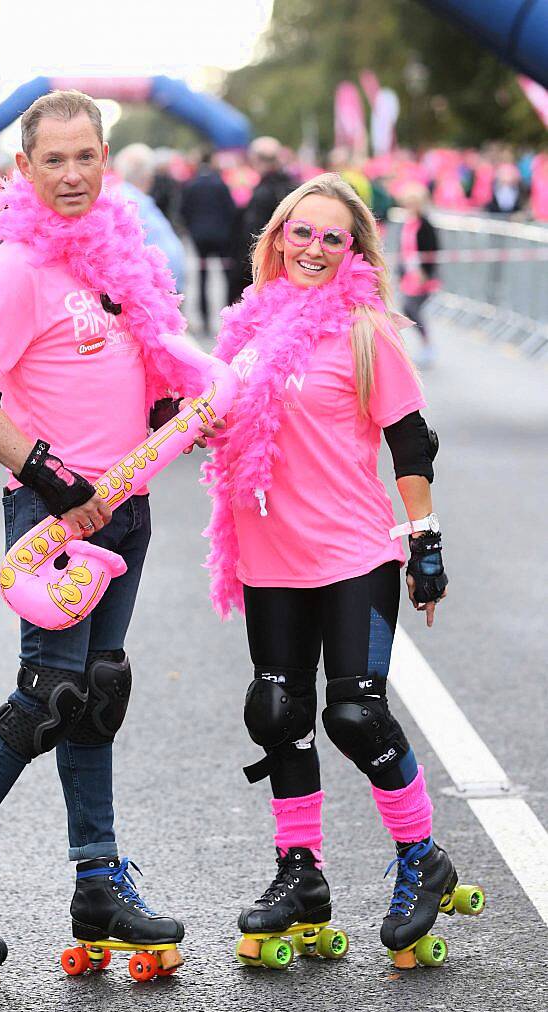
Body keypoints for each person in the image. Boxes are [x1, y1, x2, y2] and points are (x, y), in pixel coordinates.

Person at [0, 89, 221, 982]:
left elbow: (149, 375)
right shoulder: (17, 267)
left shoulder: (126, 258)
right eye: (54, 160)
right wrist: (52, 479)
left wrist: (182, 414)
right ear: (26, 170)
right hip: (55, 520)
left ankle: (98, 881)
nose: (71, 174)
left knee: (96, 693)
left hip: (128, 506)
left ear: (105, 161)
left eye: (86, 157)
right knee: (45, 696)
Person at [202, 173, 460, 963]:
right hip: (269, 554)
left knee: (353, 714)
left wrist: (426, 542)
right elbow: (216, 424)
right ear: (277, 236)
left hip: (351, 550)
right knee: (278, 713)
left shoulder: (365, 329)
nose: (313, 248)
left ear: (354, 250)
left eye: (332, 237)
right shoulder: (244, 331)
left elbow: (410, 440)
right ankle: (300, 871)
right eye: (300, 232)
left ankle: (423, 858)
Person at [227, 136, 296, 304]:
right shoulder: (293, 186)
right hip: (289, 262)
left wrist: (239, 274)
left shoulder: (262, 192)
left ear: (256, 160)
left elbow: (251, 235)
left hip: (264, 264)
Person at [113, 142, 186, 294]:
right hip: (151, 292)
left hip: (160, 290)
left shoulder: (136, 198)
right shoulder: (128, 201)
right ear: (148, 175)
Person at [180, 149, 237, 334]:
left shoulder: (191, 184)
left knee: (202, 277)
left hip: (199, 236)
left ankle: (204, 319)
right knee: (226, 274)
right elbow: (231, 209)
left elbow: (183, 210)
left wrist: (192, 229)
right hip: (221, 235)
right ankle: (230, 315)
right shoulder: (220, 183)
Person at [398, 182, 441, 368]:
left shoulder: (425, 225)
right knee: (408, 308)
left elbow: (432, 249)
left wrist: (426, 272)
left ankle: (427, 345)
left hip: (422, 275)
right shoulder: (408, 222)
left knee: (411, 308)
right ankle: (425, 345)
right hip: (409, 274)